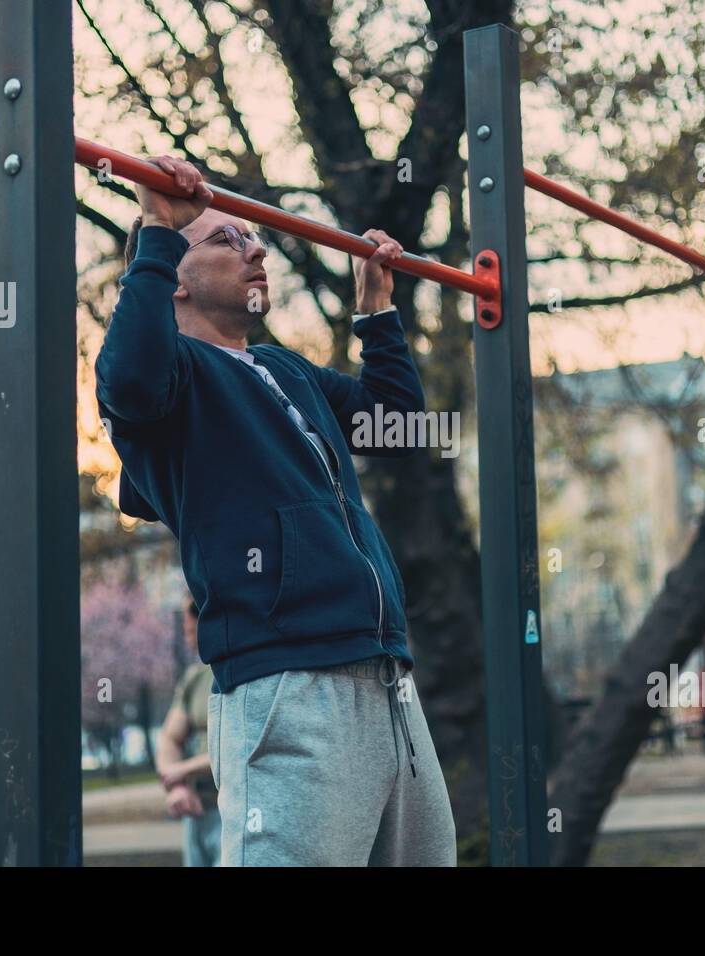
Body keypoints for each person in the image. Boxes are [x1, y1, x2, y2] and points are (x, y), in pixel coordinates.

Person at [95, 155, 456, 866]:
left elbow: (398, 421)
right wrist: (156, 224)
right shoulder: (174, 384)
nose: (256, 248)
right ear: (173, 274)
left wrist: (376, 310)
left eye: (252, 238)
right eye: (226, 241)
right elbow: (130, 377)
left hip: (388, 681)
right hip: (288, 686)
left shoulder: (284, 369)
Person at [157, 594, 221, 866]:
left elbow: (235, 748)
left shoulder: (241, 673)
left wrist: (181, 772)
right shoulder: (195, 678)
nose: (185, 628)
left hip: (231, 812)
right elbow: (169, 738)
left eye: (189, 622)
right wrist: (178, 787)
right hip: (196, 810)